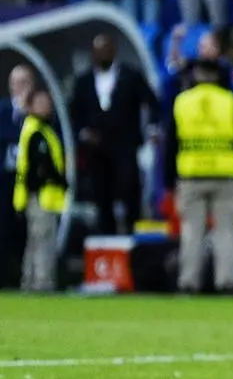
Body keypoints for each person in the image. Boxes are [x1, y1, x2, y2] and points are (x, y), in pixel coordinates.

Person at [164, 59, 233, 293]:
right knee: (226, 232)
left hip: (192, 173)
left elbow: (171, 144)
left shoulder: (183, 102)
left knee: (192, 232)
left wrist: (169, 180)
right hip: (226, 173)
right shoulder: (230, 101)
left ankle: (189, 282)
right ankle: (226, 282)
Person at [69, 34, 160, 235]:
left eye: (106, 49)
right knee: (102, 195)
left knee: (129, 190)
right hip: (97, 149)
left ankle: (132, 236)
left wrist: (153, 128)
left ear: (114, 51)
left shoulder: (131, 75)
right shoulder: (83, 81)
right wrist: (84, 133)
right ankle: (106, 238)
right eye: (98, 51)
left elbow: (152, 103)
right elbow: (74, 113)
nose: (102, 54)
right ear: (92, 54)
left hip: (125, 145)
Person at [13, 89, 65, 291]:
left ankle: (30, 281)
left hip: (41, 197)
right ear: (31, 106)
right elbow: (42, 166)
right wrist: (60, 180)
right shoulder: (36, 132)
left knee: (35, 241)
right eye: (41, 102)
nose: (46, 106)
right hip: (41, 196)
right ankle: (42, 282)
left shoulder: (38, 129)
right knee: (42, 241)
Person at [1, 65, 35, 287]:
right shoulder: (3, 111)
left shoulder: (40, 111)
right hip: (5, 181)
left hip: (30, 182)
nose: (20, 87)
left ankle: (27, 279)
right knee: (3, 229)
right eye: (16, 82)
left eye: (25, 82)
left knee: (27, 232)